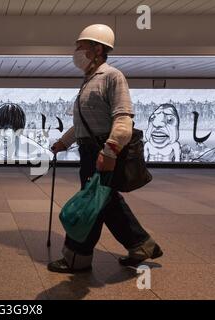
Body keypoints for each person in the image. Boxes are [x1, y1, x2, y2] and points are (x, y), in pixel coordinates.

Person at [48, 24, 163, 273]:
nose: (76, 51)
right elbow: (81, 123)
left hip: (102, 153)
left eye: (81, 46)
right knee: (105, 201)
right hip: (90, 151)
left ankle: (76, 258)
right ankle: (141, 245)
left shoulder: (112, 76)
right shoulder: (90, 80)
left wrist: (109, 151)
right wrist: (64, 142)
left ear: (97, 49)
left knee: (91, 204)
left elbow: (123, 119)